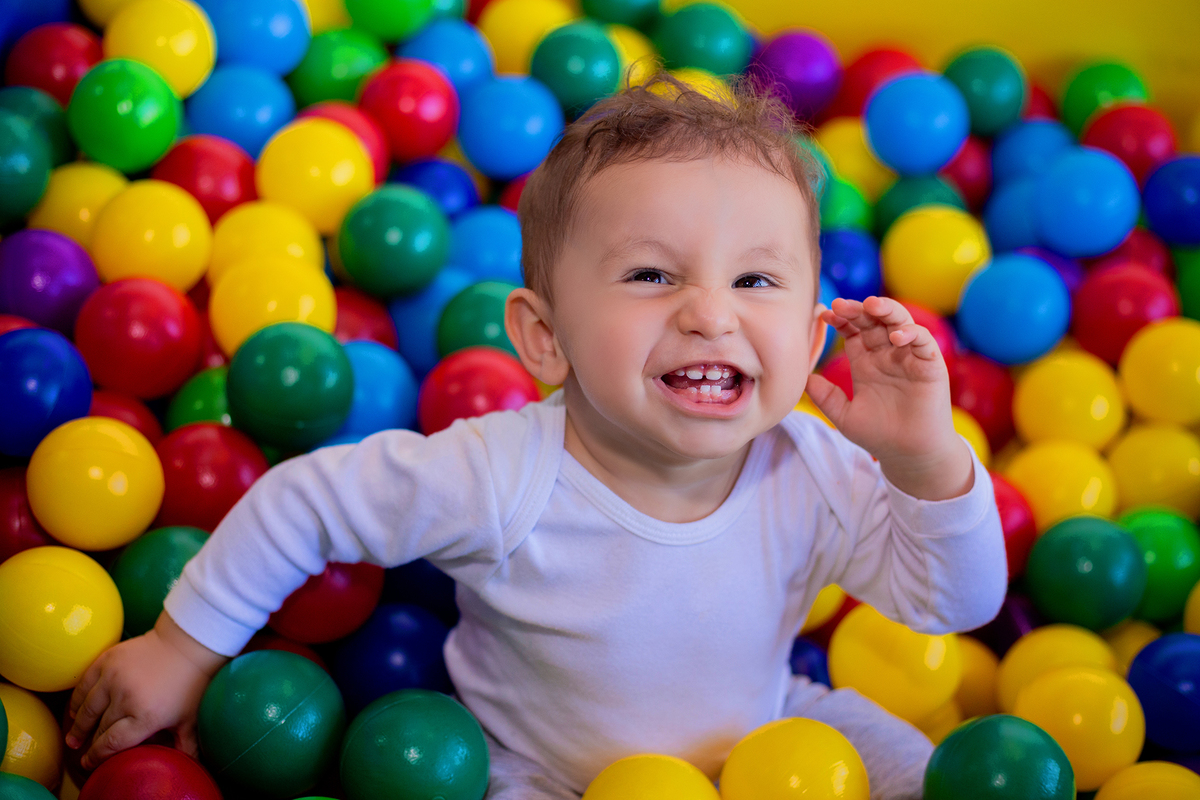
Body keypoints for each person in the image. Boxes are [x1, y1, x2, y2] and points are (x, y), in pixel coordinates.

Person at [64, 73, 1006, 799]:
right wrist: (183, 650)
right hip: (548, 772)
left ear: (809, 346)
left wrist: (921, 457)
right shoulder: (504, 474)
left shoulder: (816, 470)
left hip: (772, 740)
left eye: (756, 282)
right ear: (544, 338)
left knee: (932, 769)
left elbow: (954, 603)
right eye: (650, 275)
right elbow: (308, 502)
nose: (711, 315)